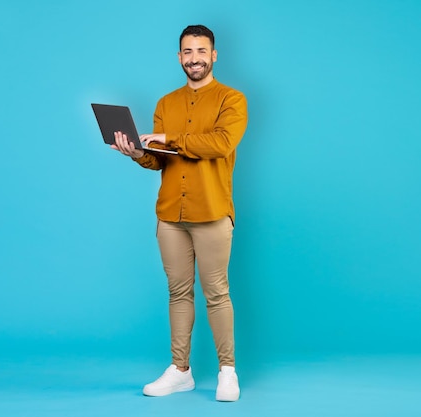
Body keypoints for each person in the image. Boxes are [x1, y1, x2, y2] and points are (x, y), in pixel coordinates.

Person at [111, 24, 248, 402]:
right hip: (170, 214)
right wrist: (138, 152)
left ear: (214, 55)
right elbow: (160, 161)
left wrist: (169, 138)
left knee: (217, 293)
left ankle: (227, 371)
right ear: (179, 57)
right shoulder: (166, 103)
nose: (194, 59)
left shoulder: (232, 100)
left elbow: (220, 144)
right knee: (178, 293)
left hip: (212, 211)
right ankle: (180, 371)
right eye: (187, 52)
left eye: (201, 51)